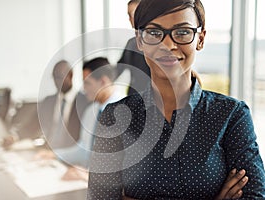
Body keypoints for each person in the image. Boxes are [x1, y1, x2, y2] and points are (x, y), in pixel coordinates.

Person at [87, 0, 265, 199]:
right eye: (154, 33)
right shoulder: (113, 117)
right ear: (139, 40)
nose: (168, 45)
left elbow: (254, 195)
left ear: (201, 39)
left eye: (182, 32)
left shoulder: (231, 115)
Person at [36, 57, 126, 180]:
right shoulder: (91, 111)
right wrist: (54, 155)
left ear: (103, 82)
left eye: (87, 83)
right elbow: (83, 150)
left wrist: (89, 175)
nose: (83, 88)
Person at [1, 60, 90, 148]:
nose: (56, 81)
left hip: (70, 154)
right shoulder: (48, 101)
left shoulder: (84, 102)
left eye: (59, 77)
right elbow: (32, 124)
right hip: (47, 151)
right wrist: (14, 137)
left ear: (70, 76)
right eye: (54, 77)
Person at [117, 0, 151, 95]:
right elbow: (119, 68)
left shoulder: (158, 42)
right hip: (133, 97)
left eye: (133, 14)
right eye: (129, 15)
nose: (130, 18)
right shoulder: (131, 43)